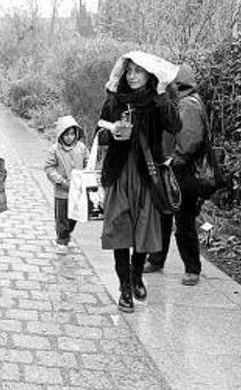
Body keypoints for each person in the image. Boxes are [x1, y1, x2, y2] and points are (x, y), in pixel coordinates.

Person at [97, 52, 180, 313]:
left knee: (143, 228)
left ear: (149, 75)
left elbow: (175, 125)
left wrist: (163, 93)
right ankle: (124, 287)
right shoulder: (114, 100)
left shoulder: (157, 101)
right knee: (120, 230)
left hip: (147, 176)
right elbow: (99, 135)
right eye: (129, 71)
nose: (132, 76)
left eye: (138, 71)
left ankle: (136, 275)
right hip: (119, 175)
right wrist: (112, 134)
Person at [144, 65, 205, 285]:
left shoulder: (188, 104)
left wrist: (174, 160)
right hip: (173, 170)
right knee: (163, 215)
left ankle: (192, 268)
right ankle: (157, 259)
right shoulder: (183, 101)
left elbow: (189, 141)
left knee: (183, 221)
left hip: (183, 172)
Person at [44, 115, 89, 253]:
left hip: (77, 190)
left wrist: (86, 176)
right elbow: (49, 168)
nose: (70, 137)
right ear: (61, 135)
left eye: (72, 134)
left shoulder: (81, 148)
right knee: (61, 217)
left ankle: (67, 234)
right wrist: (61, 181)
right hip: (62, 190)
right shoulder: (55, 150)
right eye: (66, 134)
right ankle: (61, 240)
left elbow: (88, 162)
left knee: (74, 216)